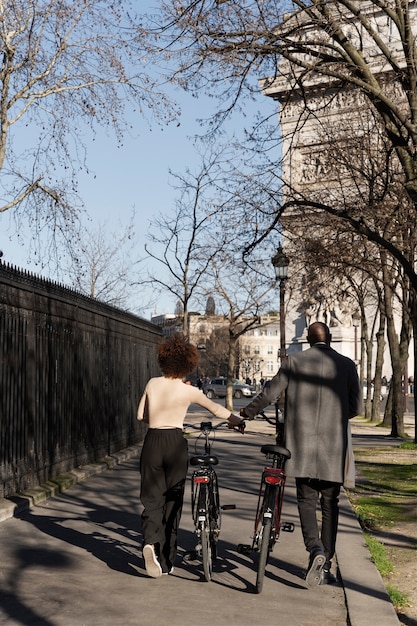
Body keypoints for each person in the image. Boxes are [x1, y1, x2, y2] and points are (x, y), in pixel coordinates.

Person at [241, 322, 362, 586]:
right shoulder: (347, 365)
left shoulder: (293, 362)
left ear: (307, 340)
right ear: (329, 339)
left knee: (306, 501)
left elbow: (269, 393)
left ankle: (314, 548)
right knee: (330, 504)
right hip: (334, 446)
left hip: (301, 446)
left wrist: (247, 412)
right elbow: (356, 406)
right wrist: (336, 417)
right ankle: (326, 561)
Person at [137, 332, 245, 578]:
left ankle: (150, 542)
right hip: (175, 443)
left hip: (153, 441)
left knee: (152, 498)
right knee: (173, 499)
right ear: (188, 364)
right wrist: (235, 420)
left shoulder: (153, 384)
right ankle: (165, 561)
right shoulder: (189, 390)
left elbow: (139, 415)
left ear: (163, 361)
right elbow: (216, 409)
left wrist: (154, 419)